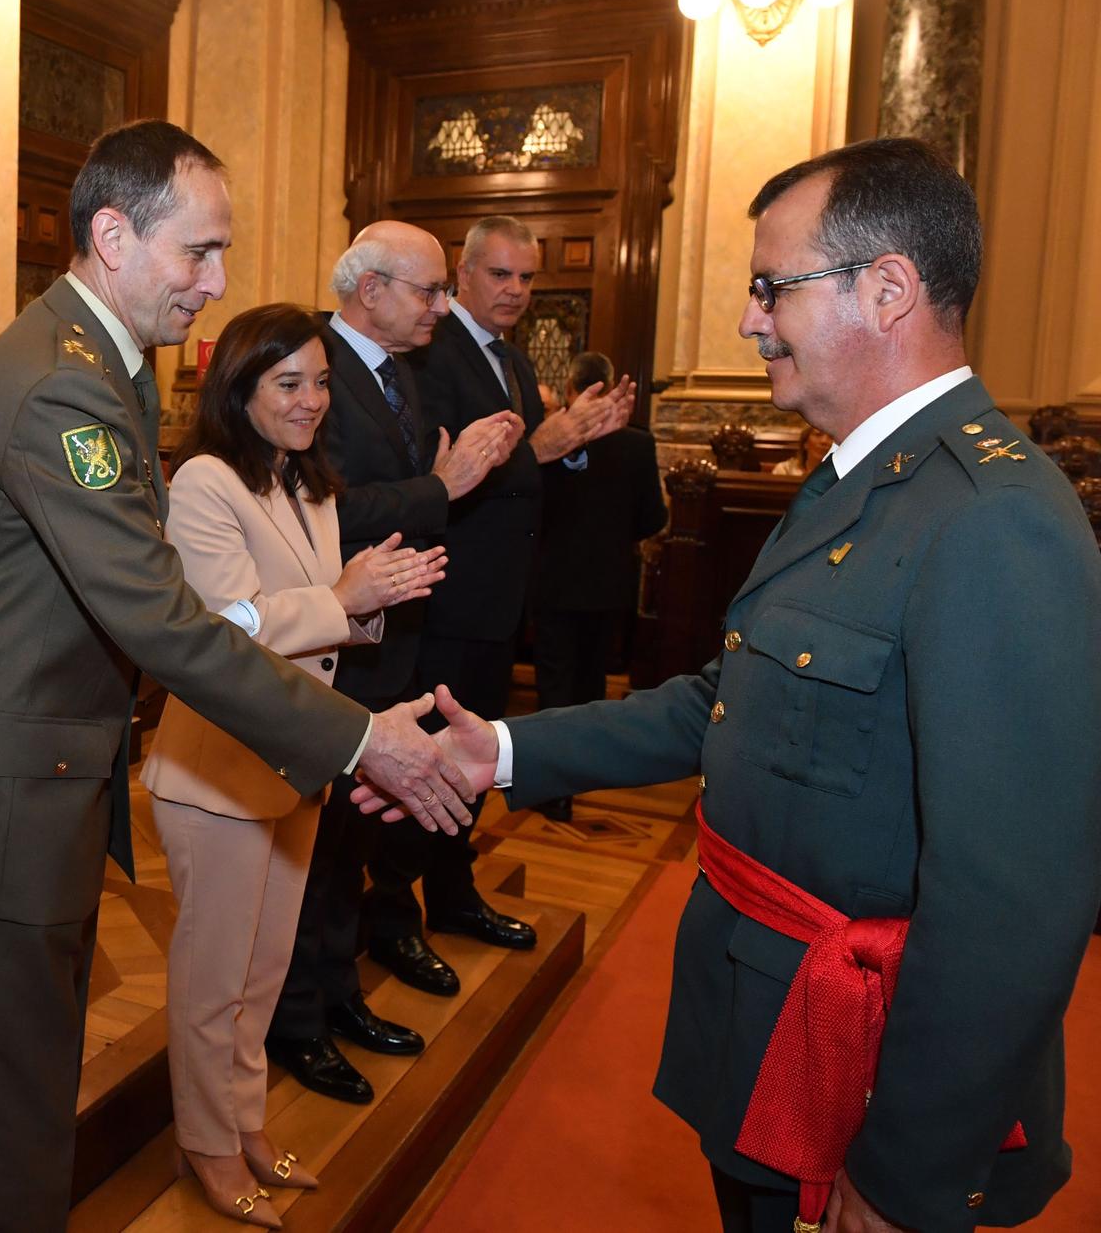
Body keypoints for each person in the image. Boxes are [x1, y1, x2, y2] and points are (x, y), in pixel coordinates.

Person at [432, 137, 1101, 1233]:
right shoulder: (853, 476)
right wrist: (500, 751)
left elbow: (1013, 904)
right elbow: (726, 700)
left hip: (856, 1071)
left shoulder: (993, 518)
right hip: (758, 1025)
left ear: (885, 290)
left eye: (768, 287)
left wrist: (901, 1174)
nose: (747, 319)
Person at [0, 120, 482, 1231]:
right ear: (113, 235)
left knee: (28, 1078)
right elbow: (162, 618)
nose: (216, 282)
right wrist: (358, 739)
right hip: (3, 793)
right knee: (10, 1109)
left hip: (35, 774)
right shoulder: (64, 384)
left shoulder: (94, 361)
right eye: (197, 252)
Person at [144, 302, 446, 1226]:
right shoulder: (203, 481)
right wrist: (340, 595)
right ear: (239, 388)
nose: (313, 399)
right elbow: (221, 628)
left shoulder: (307, 483)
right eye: (289, 383)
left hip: (295, 759)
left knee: (263, 973)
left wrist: (371, 599)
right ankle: (205, 1142)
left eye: (319, 381)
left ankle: (242, 1122)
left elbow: (321, 619)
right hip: (217, 774)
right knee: (214, 982)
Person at [266, 222, 524, 1104]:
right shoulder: (311, 376)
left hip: (393, 639)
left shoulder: (401, 371)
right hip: (332, 649)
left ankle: (338, 993)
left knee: (351, 842)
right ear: (369, 289)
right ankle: (298, 1020)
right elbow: (320, 505)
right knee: (311, 847)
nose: (441, 307)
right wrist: (440, 490)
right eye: (428, 290)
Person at [370, 217, 635, 987]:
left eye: (526, 278)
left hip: (498, 606)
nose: (516, 291)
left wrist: (577, 440)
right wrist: (547, 444)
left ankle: (453, 894)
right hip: (442, 604)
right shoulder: (430, 352)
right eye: (500, 275)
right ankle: (390, 912)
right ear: (463, 272)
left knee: (471, 769)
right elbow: (439, 472)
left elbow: (523, 474)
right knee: (418, 769)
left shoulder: (513, 362)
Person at [527, 350, 668, 822]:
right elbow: (654, 517)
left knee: (555, 684)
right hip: (608, 583)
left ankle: (552, 787)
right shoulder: (637, 444)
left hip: (552, 580)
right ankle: (581, 772)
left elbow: (530, 512)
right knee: (591, 685)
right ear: (606, 386)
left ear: (570, 389)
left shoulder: (546, 442)